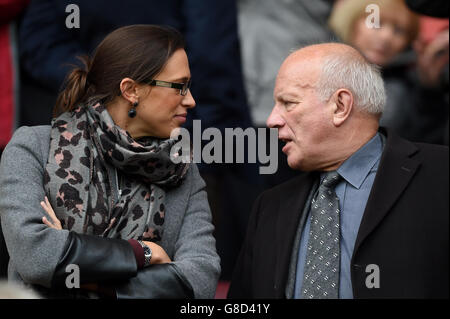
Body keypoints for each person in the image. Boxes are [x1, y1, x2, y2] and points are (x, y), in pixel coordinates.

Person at [0, 24, 220, 299]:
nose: (190, 100)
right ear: (131, 90)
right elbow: (36, 256)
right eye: (179, 87)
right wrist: (146, 253)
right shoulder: (33, 147)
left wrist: (84, 276)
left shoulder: (183, 170)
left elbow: (199, 280)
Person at [228, 43, 448, 299]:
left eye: (288, 103)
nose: (272, 120)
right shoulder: (269, 207)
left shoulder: (440, 176)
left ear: (340, 106)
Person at [328, 0, 448, 145]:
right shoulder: (320, 67)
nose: (386, 37)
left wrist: (429, 91)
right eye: (375, 23)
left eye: (399, 30)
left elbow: (423, 145)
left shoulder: (409, 87)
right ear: (352, 22)